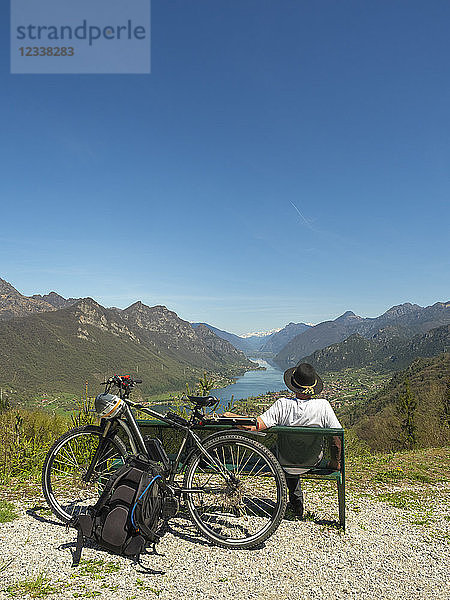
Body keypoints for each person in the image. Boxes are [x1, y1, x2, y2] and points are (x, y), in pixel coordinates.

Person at [224, 363, 342, 518]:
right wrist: (334, 462)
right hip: (312, 460)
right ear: (313, 386)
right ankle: (296, 504)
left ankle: (292, 502)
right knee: (294, 452)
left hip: (285, 460)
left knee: (280, 452)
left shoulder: (283, 405)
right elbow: (337, 436)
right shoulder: (323, 406)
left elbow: (254, 426)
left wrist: (230, 416)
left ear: (294, 385)